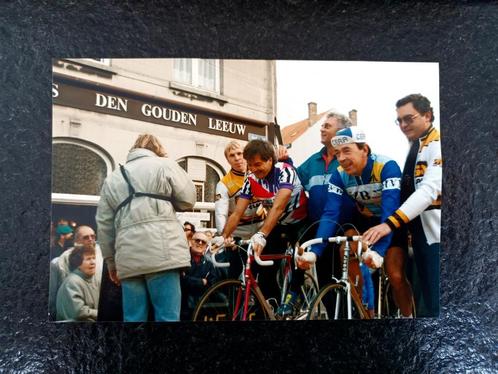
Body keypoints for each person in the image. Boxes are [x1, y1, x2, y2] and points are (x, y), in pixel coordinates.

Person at [297, 127, 415, 318]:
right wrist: (315, 252)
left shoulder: (387, 166)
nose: (341, 158)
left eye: (346, 151)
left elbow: (390, 209)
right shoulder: (339, 175)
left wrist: (379, 250)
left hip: (391, 221)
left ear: (365, 150)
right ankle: (365, 314)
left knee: (395, 275)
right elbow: (330, 214)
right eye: (337, 154)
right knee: (346, 250)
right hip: (365, 221)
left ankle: (409, 318)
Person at [96, 134, 196, 322]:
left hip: (129, 257)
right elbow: (188, 200)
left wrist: (111, 262)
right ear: (157, 149)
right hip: (164, 253)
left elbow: (104, 225)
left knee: (133, 319)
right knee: (168, 318)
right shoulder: (165, 165)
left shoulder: (113, 179)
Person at [363, 94, 441, 317]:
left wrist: (388, 224)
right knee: (427, 298)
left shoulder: (437, 145)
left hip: (437, 237)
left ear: (427, 115)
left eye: (409, 118)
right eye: (399, 120)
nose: (403, 125)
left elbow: (428, 191)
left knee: (437, 304)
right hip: (420, 236)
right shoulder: (417, 146)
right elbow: (407, 191)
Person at [213, 139, 308, 315]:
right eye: (251, 165)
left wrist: (262, 234)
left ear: (270, 160)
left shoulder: (285, 172)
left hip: (301, 221)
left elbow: (278, 207)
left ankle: (293, 297)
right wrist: (223, 235)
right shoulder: (251, 180)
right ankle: (271, 305)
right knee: (261, 265)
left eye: (258, 164)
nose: (254, 169)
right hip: (279, 224)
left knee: (301, 259)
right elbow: (237, 213)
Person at [293, 112, 355, 292]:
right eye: (322, 126)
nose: (322, 128)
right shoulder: (313, 161)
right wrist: (285, 162)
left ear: (341, 131)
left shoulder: (349, 159)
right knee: (326, 285)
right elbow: (293, 180)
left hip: (345, 228)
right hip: (319, 229)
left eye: (327, 126)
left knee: (348, 286)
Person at [48, 225, 103, 320]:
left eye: (93, 236)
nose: (90, 239)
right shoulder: (61, 261)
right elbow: (53, 298)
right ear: (76, 241)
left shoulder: (102, 255)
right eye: (86, 237)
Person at [215, 140, 264, 239]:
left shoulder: (259, 174)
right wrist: (225, 237)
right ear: (227, 160)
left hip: (261, 231)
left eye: (239, 153)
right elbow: (221, 214)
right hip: (238, 236)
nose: (237, 158)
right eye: (232, 155)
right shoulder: (223, 184)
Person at [180, 231, 220, 320]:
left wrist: (190, 280)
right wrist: (201, 281)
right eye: (197, 240)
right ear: (191, 241)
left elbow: (212, 284)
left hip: (202, 307)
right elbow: (181, 281)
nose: (200, 243)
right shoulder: (182, 260)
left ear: (206, 246)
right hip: (182, 307)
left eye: (203, 242)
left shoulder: (209, 264)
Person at [56, 245, 100, 321]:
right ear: (78, 263)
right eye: (88, 259)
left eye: (94, 258)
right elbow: (78, 312)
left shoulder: (94, 280)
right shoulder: (72, 282)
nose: (93, 262)